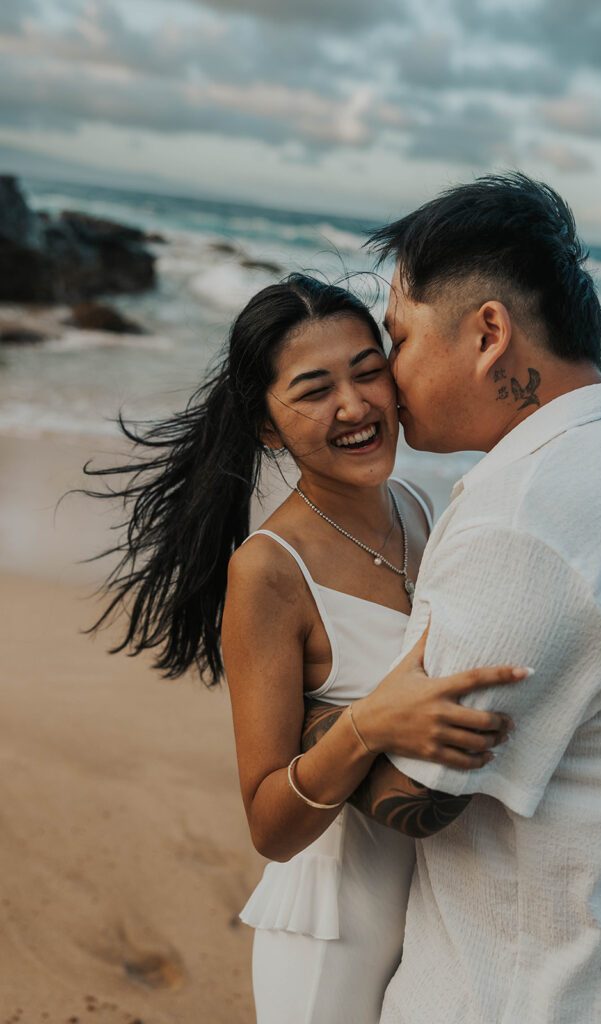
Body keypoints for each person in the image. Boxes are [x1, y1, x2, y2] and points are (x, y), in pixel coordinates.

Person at [81, 273, 526, 1024]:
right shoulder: (269, 571)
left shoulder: (422, 508)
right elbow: (268, 825)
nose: (352, 406)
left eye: (367, 371)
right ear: (266, 426)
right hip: (332, 934)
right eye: (314, 390)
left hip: (438, 919)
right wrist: (366, 726)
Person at [302, 173, 601, 1024]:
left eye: (397, 340)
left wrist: (315, 721)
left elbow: (417, 800)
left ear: (487, 334)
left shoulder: (527, 519)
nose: (386, 380)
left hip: (520, 995)